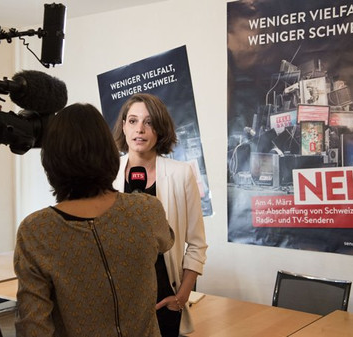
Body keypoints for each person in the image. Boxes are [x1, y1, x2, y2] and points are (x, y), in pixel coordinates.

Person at [14, 103, 175, 337]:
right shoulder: (146, 210)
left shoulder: (36, 230)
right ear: (108, 152)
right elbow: (166, 240)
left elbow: (33, 327)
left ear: (51, 159)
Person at [112, 93, 208, 336]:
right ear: (123, 126)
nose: (140, 129)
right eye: (132, 121)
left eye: (149, 122)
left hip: (163, 296)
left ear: (160, 128)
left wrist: (182, 296)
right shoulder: (107, 174)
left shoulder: (181, 174)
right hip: (116, 298)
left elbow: (197, 244)